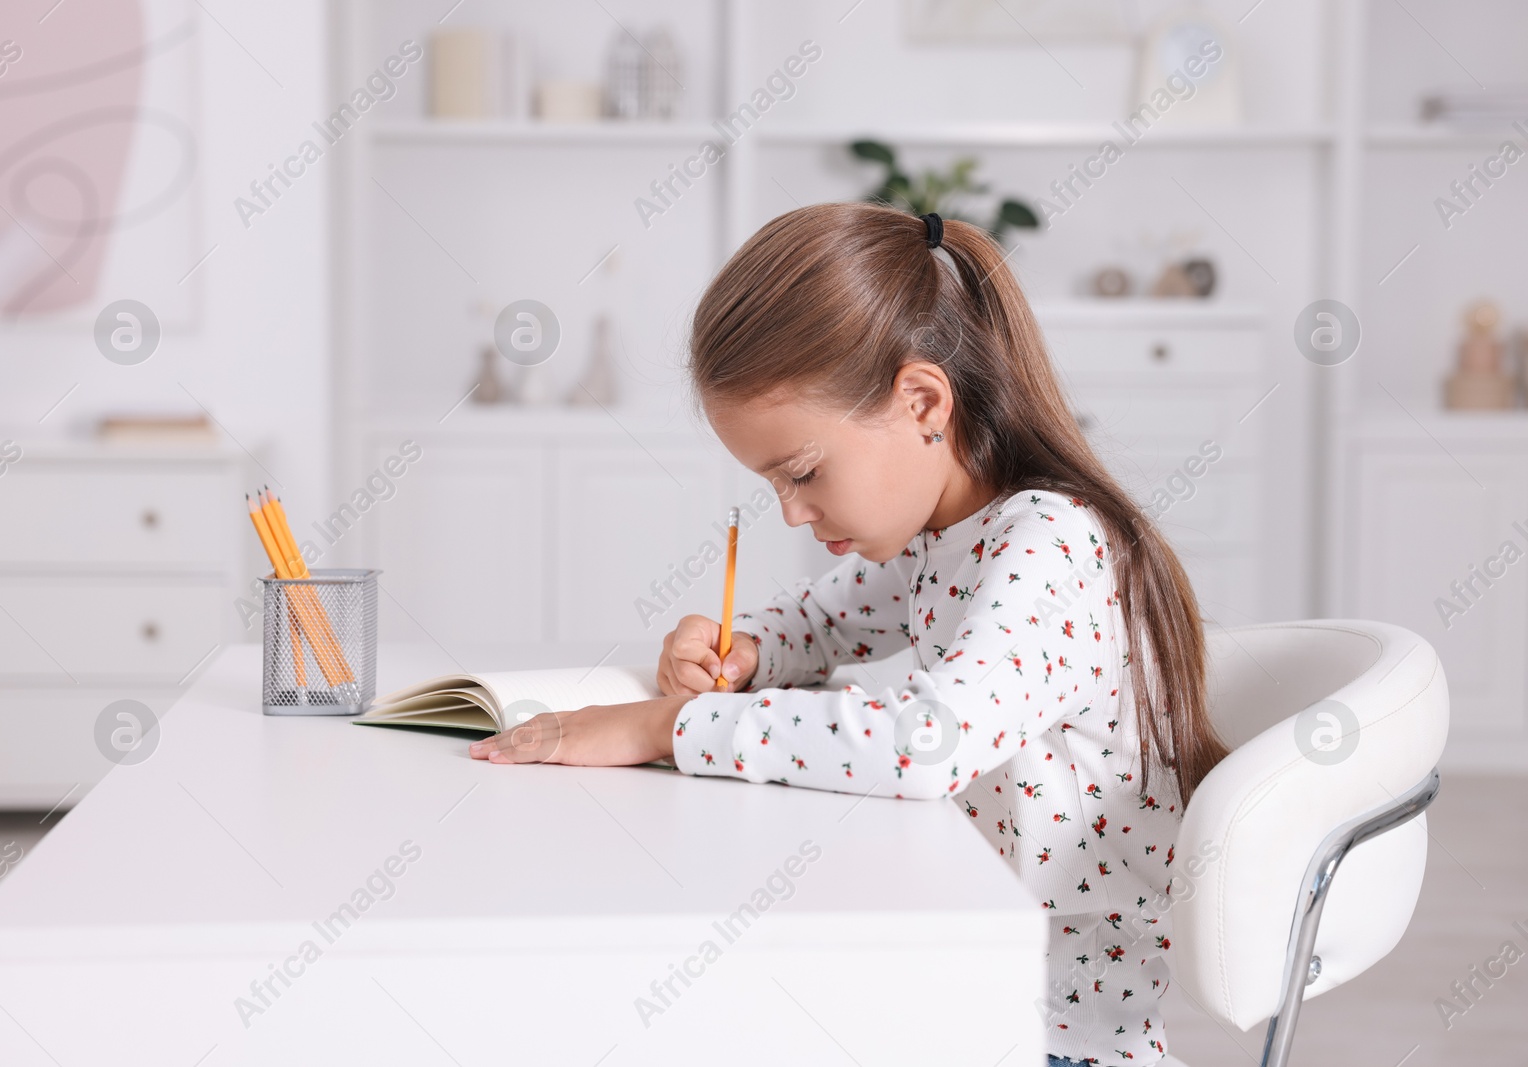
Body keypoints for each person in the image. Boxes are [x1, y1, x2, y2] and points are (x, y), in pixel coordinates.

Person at [469, 202, 1230, 1064]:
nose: (793, 511)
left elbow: (923, 742)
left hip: (1051, 1034)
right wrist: (745, 646)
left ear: (921, 402)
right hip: (965, 992)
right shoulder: (946, 531)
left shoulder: (1046, 544)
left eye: (803, 472)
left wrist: (665, 727)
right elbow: (826, 617)